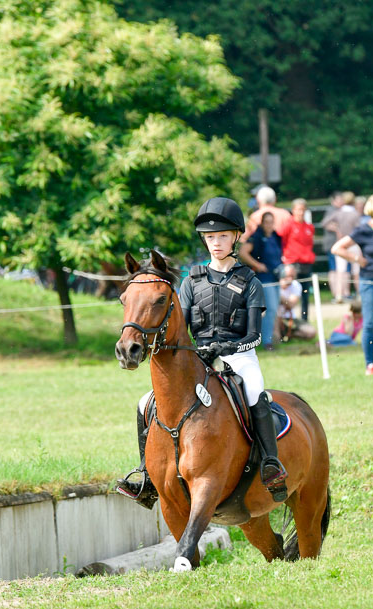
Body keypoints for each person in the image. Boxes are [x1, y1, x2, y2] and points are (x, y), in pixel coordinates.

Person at [117, 196, 288, 506]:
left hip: (239, 356)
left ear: (236, 237)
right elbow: (179, 325)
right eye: (210, 237)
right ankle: (146, 475)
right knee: (145, 402)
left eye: (222, 236)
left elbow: (254, 335)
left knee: (254, 391)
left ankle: (270, 464)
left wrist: (228, 347)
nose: (216, 243)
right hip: (201, 357)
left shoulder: (250, 281)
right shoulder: (191, 281)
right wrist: (196, 350)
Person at [332, 193, 373, 375]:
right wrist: (357, 259)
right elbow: (337, 248)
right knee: (370, 323)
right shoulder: (363, 230)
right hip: (371, 282)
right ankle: (370, 364)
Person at [239, 211, 282, 350]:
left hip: (276, 278)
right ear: (262, 223)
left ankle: (268, 338)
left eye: (271, 222)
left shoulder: (275, 237)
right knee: (270, 309)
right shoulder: (257, 237)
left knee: (274, 310)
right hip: (264, 279)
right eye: (267, 222)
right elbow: (243, 252)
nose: (269, 225)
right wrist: (258, 266)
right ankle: (266, 341)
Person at [280, 198, 316, 321]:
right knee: (288, 291)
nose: (301, 212)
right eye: (298, 209)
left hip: (306, 263)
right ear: (293, 210)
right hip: (292, 263)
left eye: (303, 210)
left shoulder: (309, 227)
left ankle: (304, 319)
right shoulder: (288, 225)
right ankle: (285, 319)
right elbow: (282, 241)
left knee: (305, 293)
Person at [322, 192, 360, 302]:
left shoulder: (338, 213)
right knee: (356, 271)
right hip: (353, 243)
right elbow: (359, 229)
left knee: (340, 271)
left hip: (341, 243)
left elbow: (324, 222)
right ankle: (359, 294)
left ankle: (338, 295)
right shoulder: (355, 214)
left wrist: (336, 229)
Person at [278, 264, 316, 341]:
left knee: (311, 332)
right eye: (288, 275)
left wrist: (278, 295)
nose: (290, 279)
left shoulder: (296, 285)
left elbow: (291, 305)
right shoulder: (273, 284)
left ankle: (288, 335)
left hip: (290, 318)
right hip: (276, 319)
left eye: (292, 276)